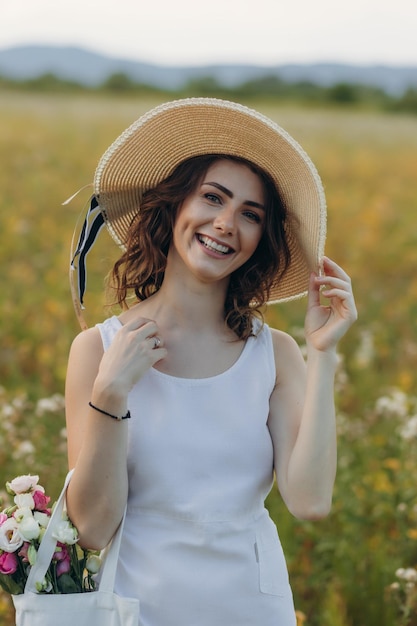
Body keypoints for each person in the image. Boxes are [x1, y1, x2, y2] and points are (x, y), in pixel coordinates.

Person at [64, 98, 357, 626]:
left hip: (251, 608)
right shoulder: (98, 350)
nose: (226, 224)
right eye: (213, 198)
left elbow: (310, 501)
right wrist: (109, 394)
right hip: (137, 610)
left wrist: (324, 354)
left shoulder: (277, 354)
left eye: (250, 214)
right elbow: (91, 529)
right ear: (174, 205)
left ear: (260, 241)